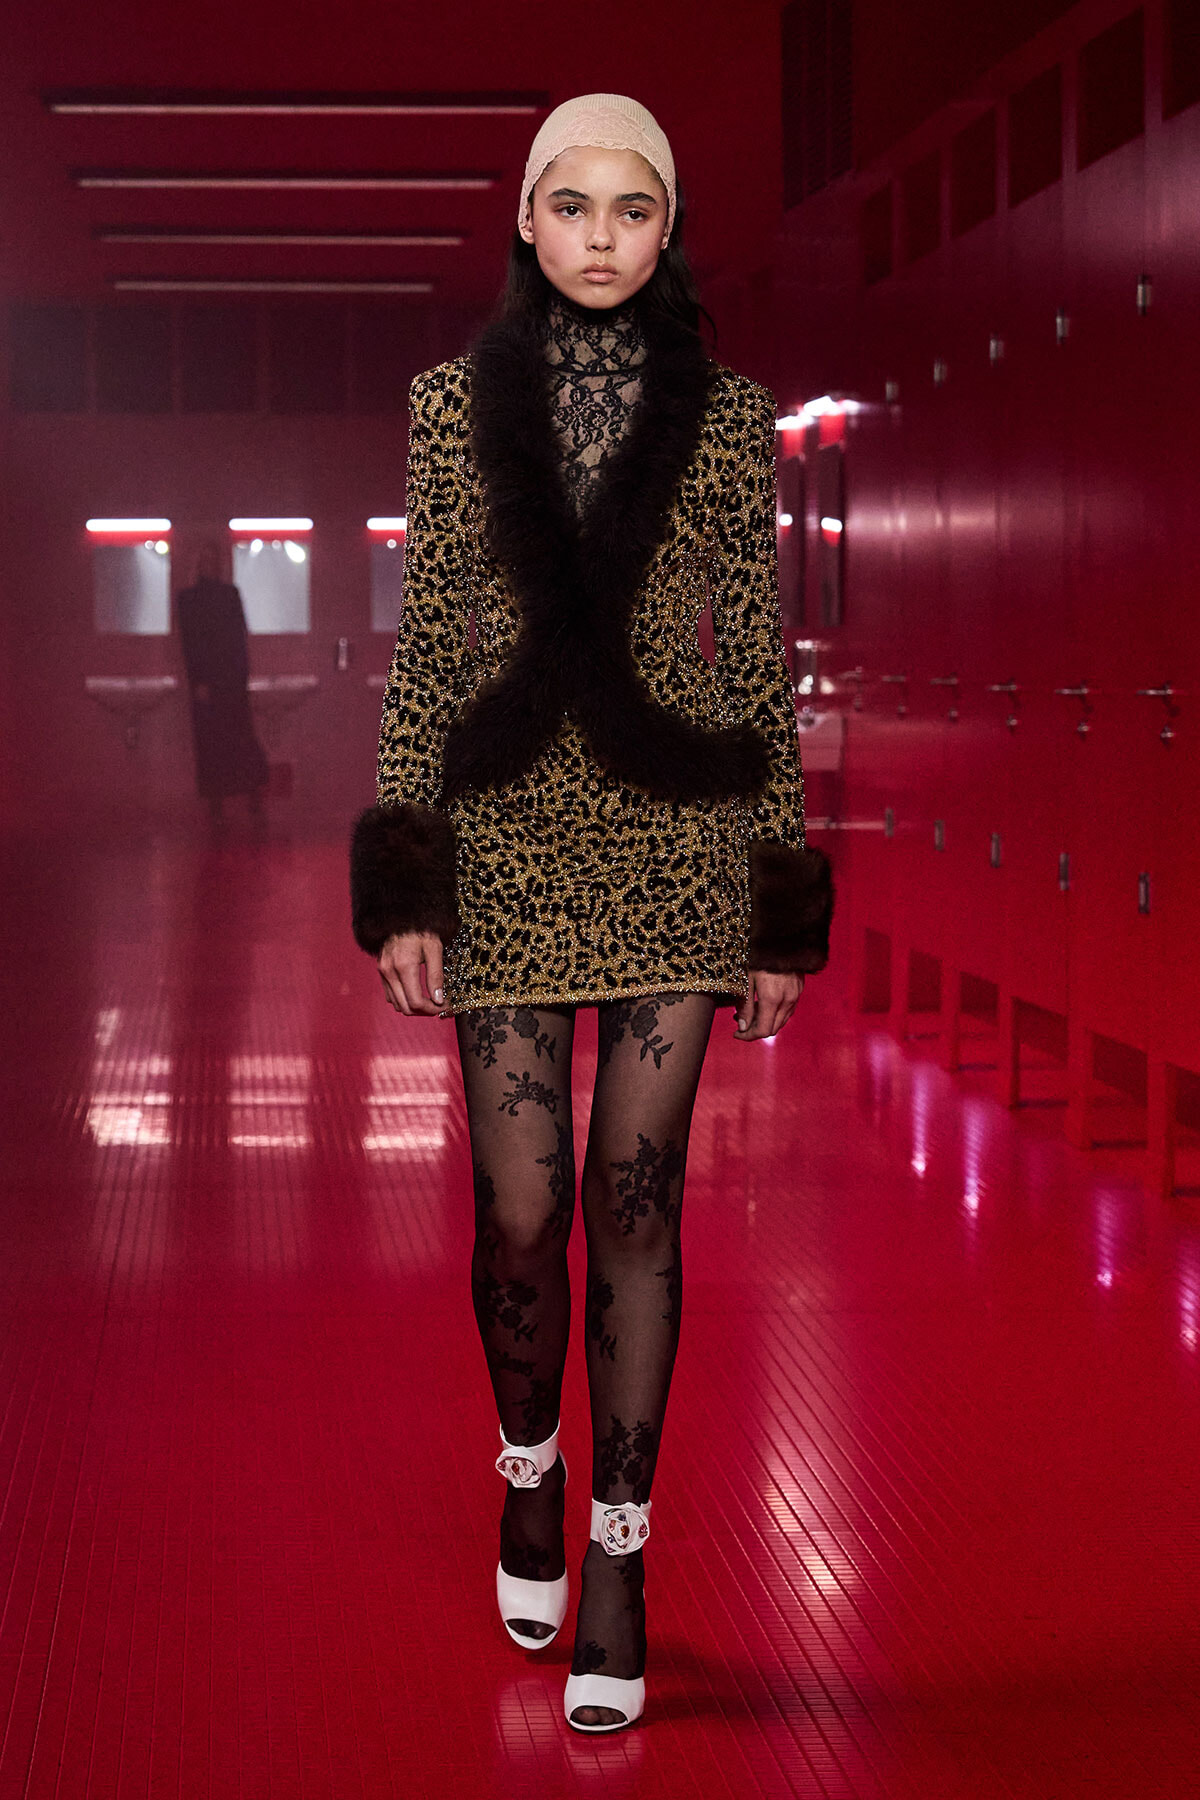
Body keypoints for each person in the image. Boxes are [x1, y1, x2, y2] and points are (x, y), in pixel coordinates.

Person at [350, 93, 834, 1735]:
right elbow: (427, 650)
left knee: (639, 1210)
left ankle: (621, 1559)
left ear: (664, 224)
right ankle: (532, 1468)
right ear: (529, 226)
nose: (606, 236)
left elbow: (756, 665)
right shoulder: (446, 408)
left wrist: (777, 904)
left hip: (675, 847)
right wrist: (405, 876)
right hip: (497, 848)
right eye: (576, 207)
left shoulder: (728, 416)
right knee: (526, 1218)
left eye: (637, 209)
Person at [177, 543, 269, 826]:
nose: (211, 567)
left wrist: (200, 681)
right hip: (227, 678)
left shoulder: (189, 599)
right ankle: (245, 796)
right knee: (233, 738)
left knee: (214, 742)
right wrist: (239, 675)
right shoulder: (228, 595)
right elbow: (235, 638)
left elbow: (191, 644)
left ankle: (220, 801)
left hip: (218, 681)